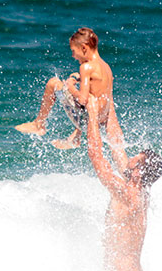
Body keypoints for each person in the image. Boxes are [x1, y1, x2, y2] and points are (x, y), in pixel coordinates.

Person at [86, 96, 162, 271]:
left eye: (135, 159)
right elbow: (116, 144)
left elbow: (96, 156)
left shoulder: (127, 195)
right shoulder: (140, 194)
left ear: (138, 171)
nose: (129, 159)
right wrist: (107, 105)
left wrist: (90, 115)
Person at [15, 28, 128, 172]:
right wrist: (81, 80)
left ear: (84, 48)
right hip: (100, 118)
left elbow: (82, 99)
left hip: (88, 120)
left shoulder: (86, 67)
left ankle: (39, 124)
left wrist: (70, 86)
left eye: (74, 51)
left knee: (53, 83)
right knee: (88, 94)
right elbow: (100, 92)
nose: (73, 56)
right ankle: (75, 137)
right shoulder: (106, 67)